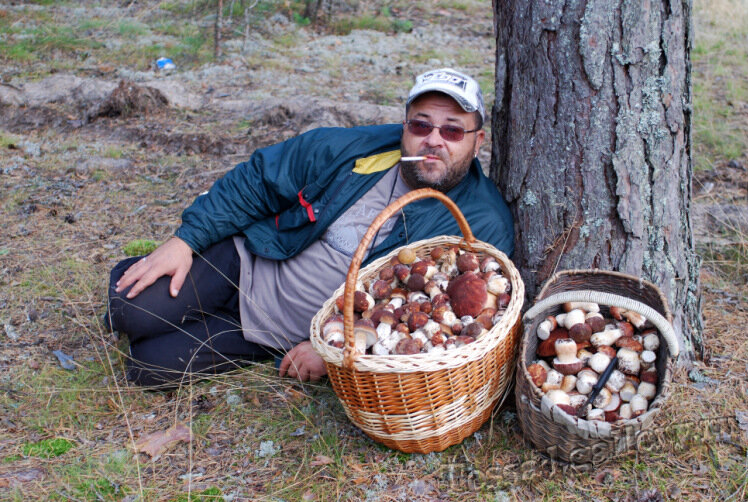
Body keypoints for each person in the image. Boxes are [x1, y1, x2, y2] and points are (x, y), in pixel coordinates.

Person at [106, 68, 514, 387]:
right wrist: (185, 241)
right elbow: (259, 180)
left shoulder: (480, 223)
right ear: (405, 126)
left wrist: (335, 347)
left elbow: (441, 320)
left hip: (277, 332)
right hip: (249, 262)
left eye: (453, 130)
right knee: (129, 311)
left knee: (149, 368)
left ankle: (180, 312)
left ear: (478, 142)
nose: (433, 140)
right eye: (421, 125)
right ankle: (151, 275)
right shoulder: (354, 149)